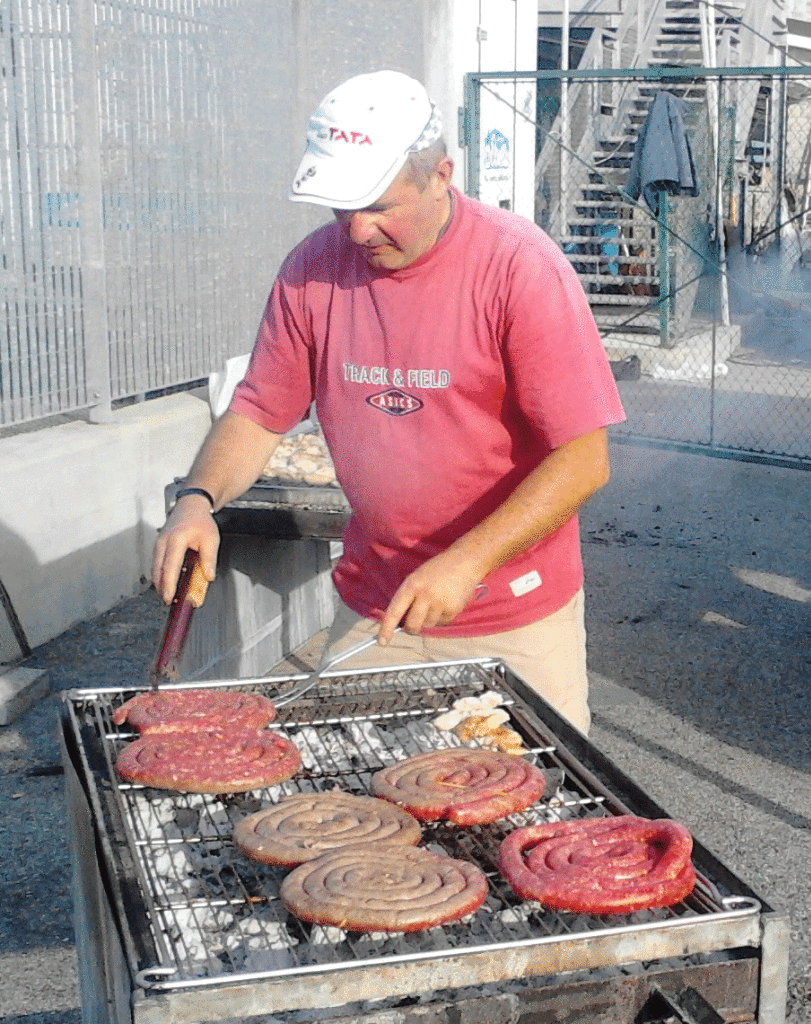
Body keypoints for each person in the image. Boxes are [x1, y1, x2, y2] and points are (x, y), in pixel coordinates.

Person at [153, 70, 625, 734]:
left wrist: (465, 561)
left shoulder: (521, 269)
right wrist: (196, 501)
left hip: (512, 617)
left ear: (440, 175)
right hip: (375, 608)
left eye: (378, 206)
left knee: (532, 810)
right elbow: (260, 411)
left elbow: (583, 460)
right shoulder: (311, 270)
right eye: (340, 208)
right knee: (348, 810)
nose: (356, 231)